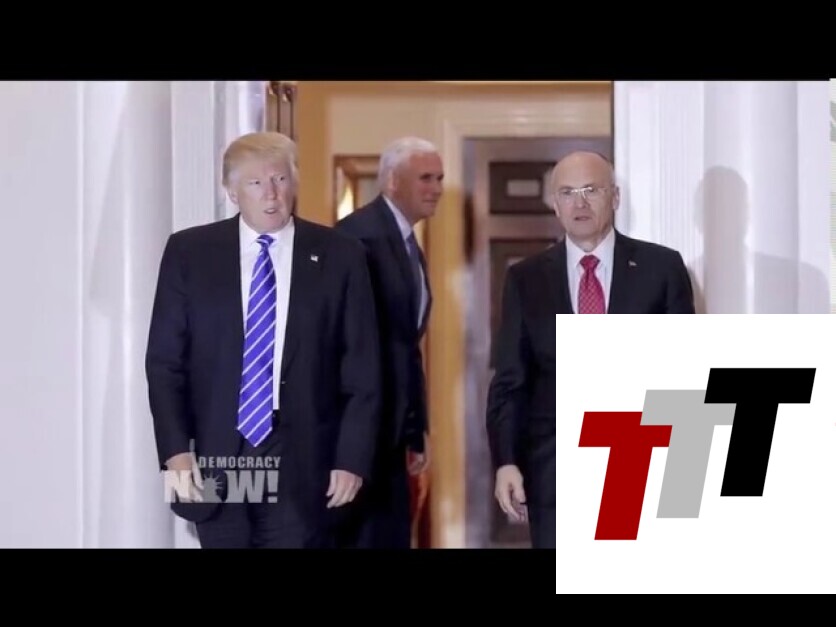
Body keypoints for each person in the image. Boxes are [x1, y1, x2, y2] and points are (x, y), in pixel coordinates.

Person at [145, 131, 382, 548]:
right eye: (256, 183)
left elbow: (362, 370)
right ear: (232, 191)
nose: (271, 194)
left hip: (301, 456)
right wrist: (176, 453)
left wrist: (351, 459)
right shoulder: (189, 252)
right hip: (215, 455)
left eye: (280, 179)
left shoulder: (340, 254)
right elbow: (165, 364)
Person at [485, 151, 695, 549]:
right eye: (567, 193)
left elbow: (686, 372)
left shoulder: (661, 268)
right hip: (554, 472)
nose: (579, 203)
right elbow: (510, 380)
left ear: (615, 197)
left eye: (591, 190)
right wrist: (507, 461)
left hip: (640, 465)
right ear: (555, 204)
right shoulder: (526, 279)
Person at [334, 136, 444, 548]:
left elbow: (406, 346)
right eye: (426, 178)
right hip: (363, 434)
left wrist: (416, 429)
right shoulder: (356, 237)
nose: (436, 188)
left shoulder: (407, 242)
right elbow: (350, 345)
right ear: (393, 181)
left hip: (393, 432)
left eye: (439, 179)